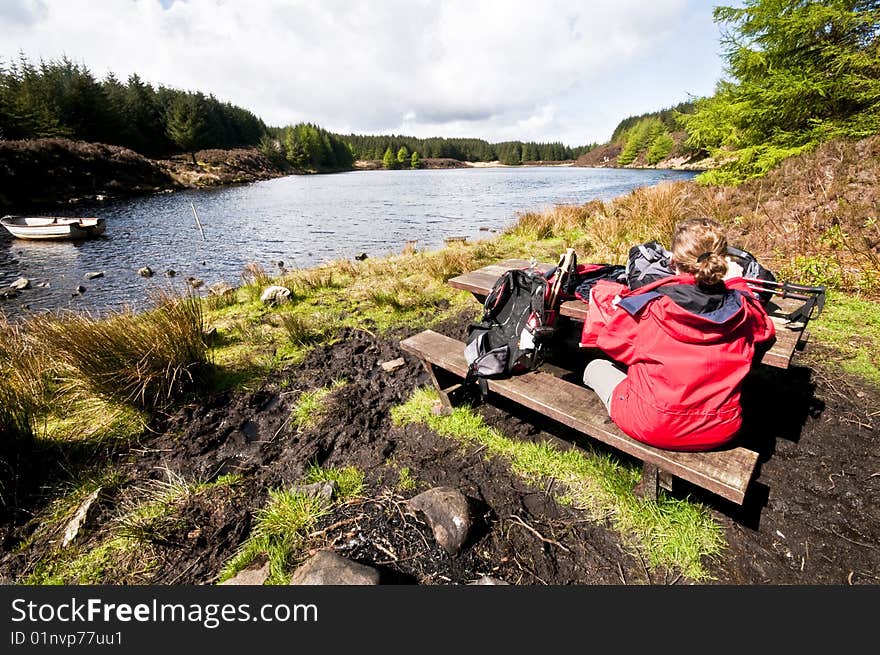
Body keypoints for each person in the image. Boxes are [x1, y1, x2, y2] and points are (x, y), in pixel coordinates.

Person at [580, 217, 776, 451]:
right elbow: (765, 333)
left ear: (672, 260)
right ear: (722, 261)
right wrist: (736, 283)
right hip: (721, 428)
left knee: (594, 367)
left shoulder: (650, 306)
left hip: (652, 424)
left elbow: (611, 343)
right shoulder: (744, 309)